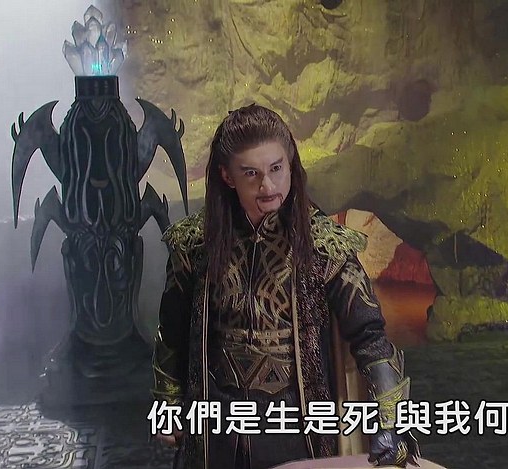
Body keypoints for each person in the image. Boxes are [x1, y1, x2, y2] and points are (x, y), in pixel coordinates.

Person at [151, 103, 420, 469]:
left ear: (290, 163)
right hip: (215, 426)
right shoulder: (195, 244)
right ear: (227, 176)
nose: (268, 185)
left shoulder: (324, 245)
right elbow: (172, 330)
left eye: (276, 168)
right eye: (251, 173)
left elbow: (370, 336)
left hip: (294, 423)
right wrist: (167, 402)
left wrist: (393, 421)